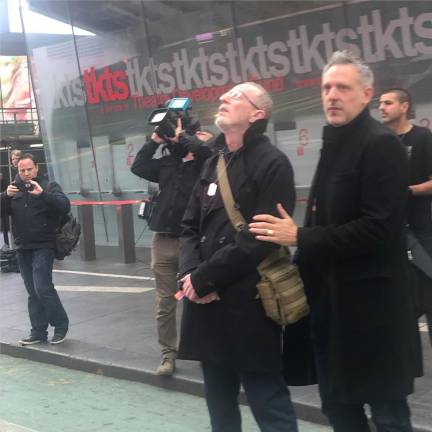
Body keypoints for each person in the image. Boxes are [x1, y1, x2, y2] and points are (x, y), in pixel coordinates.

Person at [250, 51, 422, 431]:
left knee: (389, 416)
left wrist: (300, 236)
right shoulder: (335, 141)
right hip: (333, 309)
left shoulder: (381, 145)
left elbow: (379, 229)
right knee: (339, 410)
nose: (332, 95)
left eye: (343, 87)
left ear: (366, 94)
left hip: (374, 312)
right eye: (327, 87)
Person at [178, 82, 300, 432]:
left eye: (234, 97)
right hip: (205, 302)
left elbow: (260, 237)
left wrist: (204, 279)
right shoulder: (214, 160)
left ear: (257, 114)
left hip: (251, 302)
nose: (222, 100)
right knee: (219, 406)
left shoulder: (273, 163)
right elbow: (189, 225)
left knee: (268, 403)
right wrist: (191, 276)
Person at [131, 119, 213, 376]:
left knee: (197, 297)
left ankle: (205, 352)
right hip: (163, 241)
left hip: (193, 243)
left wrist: (187, 139)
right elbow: (139, 165)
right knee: (165, 303)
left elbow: (207, 152)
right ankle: (168, 354)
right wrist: (154, 141)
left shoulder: (205, 165)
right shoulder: (166, 164)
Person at [379, 87, 432, 346]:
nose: (382, 107)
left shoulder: (423, 138)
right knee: (399, 297)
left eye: (388, 103)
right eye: (380, 103)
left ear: (404, 106)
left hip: (421, 230)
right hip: (389, 233)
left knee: (428, 288)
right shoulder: (379, 141)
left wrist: (407, 191)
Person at [1, 153, 70, 345]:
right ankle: (38, 331)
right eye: (22, 170)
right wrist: (5, 196)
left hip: (44, 245)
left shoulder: (48, 186)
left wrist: (43, 195)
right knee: (32, 291)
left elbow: (65, 207)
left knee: (43, 287)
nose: (26, 173)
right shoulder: (13, 190)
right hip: (23, 247)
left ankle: (60, 326)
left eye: (29, 169)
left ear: (36, 168)